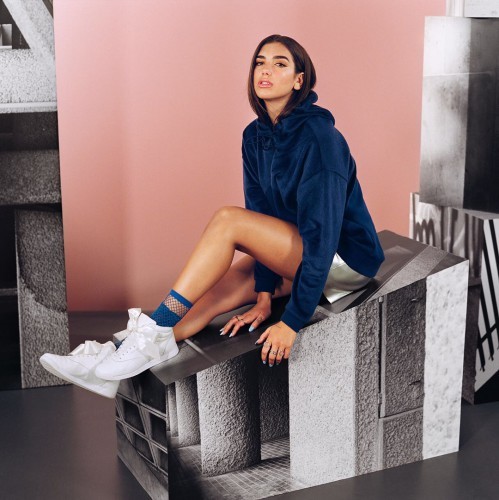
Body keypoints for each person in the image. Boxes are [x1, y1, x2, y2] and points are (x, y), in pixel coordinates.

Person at [40, 34, 385, 398]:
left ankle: (149, 334)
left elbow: (322, 235)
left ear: (299, 80)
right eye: (260, 62)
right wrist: (264, 294)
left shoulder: (320, 138)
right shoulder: (254, 136)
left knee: (228, 221)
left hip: (344, 259)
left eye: (279, 64)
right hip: (297, 249)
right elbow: (262, 215)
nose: (266, 70)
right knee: (210, 298)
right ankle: (112, 356)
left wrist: (291, 322)